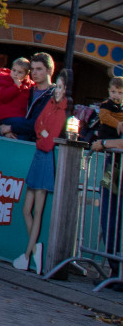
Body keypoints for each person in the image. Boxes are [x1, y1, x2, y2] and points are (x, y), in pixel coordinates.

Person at [14, 59, 68, 273]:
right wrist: (42, 132)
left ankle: (27, 256)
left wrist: (43, 133)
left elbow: (49, 135)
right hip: (39, 154)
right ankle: (36, 249)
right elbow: (38, 125)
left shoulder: (61, 108)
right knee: (26, 209)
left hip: (46, 157)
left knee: (37, 209)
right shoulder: (49, 102)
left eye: (62, 87)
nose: (59, 90)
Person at [90, 76, 123, 274]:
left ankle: (116, 266)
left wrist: (103, 144)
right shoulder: (107, 106)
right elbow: (104, 117)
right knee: (107, 211)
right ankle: (113, 266)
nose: (116, 95)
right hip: (113, 167)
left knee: (111, 213)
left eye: (119, 92)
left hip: (116, 165)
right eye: (114, 91)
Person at [1, 53, 55, 142]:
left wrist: (11, 127)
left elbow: (38, 124)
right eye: (32, 69)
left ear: (49, 71)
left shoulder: (54, 96)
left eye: (39, 69)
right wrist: (5, 129)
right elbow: (10, 111)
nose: (34, 72)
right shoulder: (27, 90)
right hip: (15, 140)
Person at [0, 57, 34, 129]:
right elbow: (3, 97)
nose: (15, 74)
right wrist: (16, 87)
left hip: (22, 117)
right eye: (14, 70)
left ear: (26, 74)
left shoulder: (29, 85)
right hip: (8, 115)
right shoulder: (4, 80)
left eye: (20, 72)